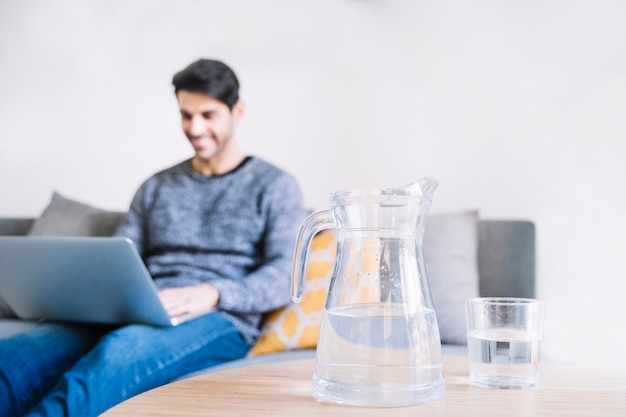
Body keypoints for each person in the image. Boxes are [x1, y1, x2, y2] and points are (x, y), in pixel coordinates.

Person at [0, 58, 306, 416]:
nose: (195, 127)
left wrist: (211, 293)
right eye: (186, 115)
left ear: (236, 111)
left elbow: (285, 275)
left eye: (207, 115)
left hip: (219, 318)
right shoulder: (156, 186)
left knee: (116, 356)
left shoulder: (274, 185)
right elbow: (119, 254)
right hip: (141, 305)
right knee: (15, 358)